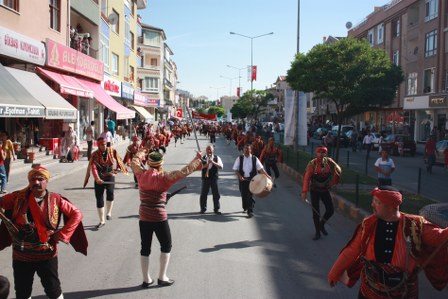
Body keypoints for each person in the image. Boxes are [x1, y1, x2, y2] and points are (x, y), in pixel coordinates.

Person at [328, 186, 448, 299]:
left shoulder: (415, 225)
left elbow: (440, 237)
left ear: (390, 206)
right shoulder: (369, 224)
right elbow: (351, 251)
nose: (372, 204)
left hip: (404, 292)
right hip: (370, 291)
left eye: (376, 202)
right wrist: (334, 272)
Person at [0, 166, 87, 299]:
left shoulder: (56, 199)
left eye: (40, 179)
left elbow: (76, 214)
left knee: (53, 290)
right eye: (33, 179)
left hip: (46, 254)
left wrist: (63, 234)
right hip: (21, 255)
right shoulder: (17, 197)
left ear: (47, 181)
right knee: (22, 292)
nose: (36, 182)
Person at [130, 147, 203, 288]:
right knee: (166, 245)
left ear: (149, 163)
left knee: (145, 247)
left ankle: (146, 279)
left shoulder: (141, 174)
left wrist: (142, 152)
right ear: (161, 164)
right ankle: (162, 277)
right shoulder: (165, 178)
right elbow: (185, 171)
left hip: (144, 216)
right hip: (159, 217)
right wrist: (197, 159)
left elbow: (134, 161)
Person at [83, 137, 128, 228]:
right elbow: (94, 168)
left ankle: (109, 213)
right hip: (99, 177)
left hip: (110, 175)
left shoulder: (112, 150)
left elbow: (119, 160)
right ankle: (102, 221)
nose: (104, 146)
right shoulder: (94, 154)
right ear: (98, 145)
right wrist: (97, 178)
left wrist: (118, 168)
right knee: (99, 198)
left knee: (110, 194)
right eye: (101, 145)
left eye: (104, 144)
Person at [301, 146, 342, 240]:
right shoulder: (312, 164)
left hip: (325, 190)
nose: (321, 154)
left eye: (323, 152)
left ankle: (321, 224)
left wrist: (332, 183)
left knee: (330, 210)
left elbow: (338, 170)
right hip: (314, 190)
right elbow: (306, 178)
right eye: (319, 152)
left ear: (325, 154)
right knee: (316, 212)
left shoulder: (329, 162)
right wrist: (304, 192)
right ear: (316, 153)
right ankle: (317, 232)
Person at [232, 144, 272, 218]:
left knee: (250, 195)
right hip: (243, 180)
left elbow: (261, 169)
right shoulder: (239, 158)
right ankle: (245, 206)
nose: (247, 150)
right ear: (243, 150)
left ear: (251, 150)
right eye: (245, 149)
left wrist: (267, 176)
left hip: (253, 180)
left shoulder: (255, 159)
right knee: (244, 195)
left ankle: (250, 211)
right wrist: (240, 176)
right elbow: (235, 169)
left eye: (248, 149)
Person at [200, 145, 224, 215]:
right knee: (203, 194)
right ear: (206, 150)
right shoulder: (203, 158)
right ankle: (203, 209)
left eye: (210, 150)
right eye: (207, 150)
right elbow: (199, 167)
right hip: (205, 178)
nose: (209, 151)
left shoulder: (217, 157)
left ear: (213, 150)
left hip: (214, 178)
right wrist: (206, 165)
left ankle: (216, 209)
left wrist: (213, 162)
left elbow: (221, 167)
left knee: (216, 194)